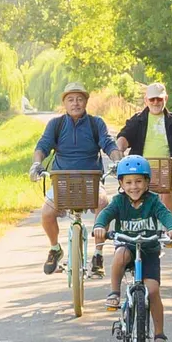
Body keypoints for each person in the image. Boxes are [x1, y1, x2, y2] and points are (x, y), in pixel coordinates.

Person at [92, 155, 172, 342]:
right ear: (121, 184)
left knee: (152, 291)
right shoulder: (118, 202)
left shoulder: (153, 201)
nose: (134, 187)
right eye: (129, 182)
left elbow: (166, 214)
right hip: (127, 245)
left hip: (149, 249)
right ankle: (114, 292)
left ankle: (159, 335)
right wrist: (100, 225)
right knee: (120, 255)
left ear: (148, 182)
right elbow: (106, 214)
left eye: (139, 181)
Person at [30, 82, 116, 276]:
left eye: (79, 99)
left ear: (86, 101)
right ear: (65, 103)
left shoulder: (96, 124)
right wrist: (36, 164)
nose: (75, 103)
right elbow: (42, 146)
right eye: (71, 99)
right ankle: (54, 249)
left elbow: (108, 144)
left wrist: (118, 160)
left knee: (105, 204)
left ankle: (98, 254)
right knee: (46, 213)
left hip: (91, 182)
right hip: (62, 182)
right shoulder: (56, 124)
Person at [115, 82, 172, 215]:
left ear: (165, 99)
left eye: (159, 99)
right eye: (152, 99)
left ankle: (169, 228)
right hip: (140, 168)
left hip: (165, 169)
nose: (156, 102)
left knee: (167, 190)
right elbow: (125, 135)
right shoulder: (137, 119)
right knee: (135, 193)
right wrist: (120, 148)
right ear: (146, 100)